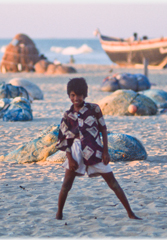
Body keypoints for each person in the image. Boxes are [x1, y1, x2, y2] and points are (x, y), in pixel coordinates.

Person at [55, 77, 142, 220]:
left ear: (85, 95)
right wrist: (69, 158)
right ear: (69, 95)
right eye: (73, 95)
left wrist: (105, 151)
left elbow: (103, 128)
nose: (76, 98)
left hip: (95, 149)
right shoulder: (67, 115)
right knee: (66, 185)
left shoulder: (94, 109)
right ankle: (59, 214)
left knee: (113, 183)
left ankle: (130, 213)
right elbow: (65, 140)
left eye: (79, 95)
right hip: (76, 151)